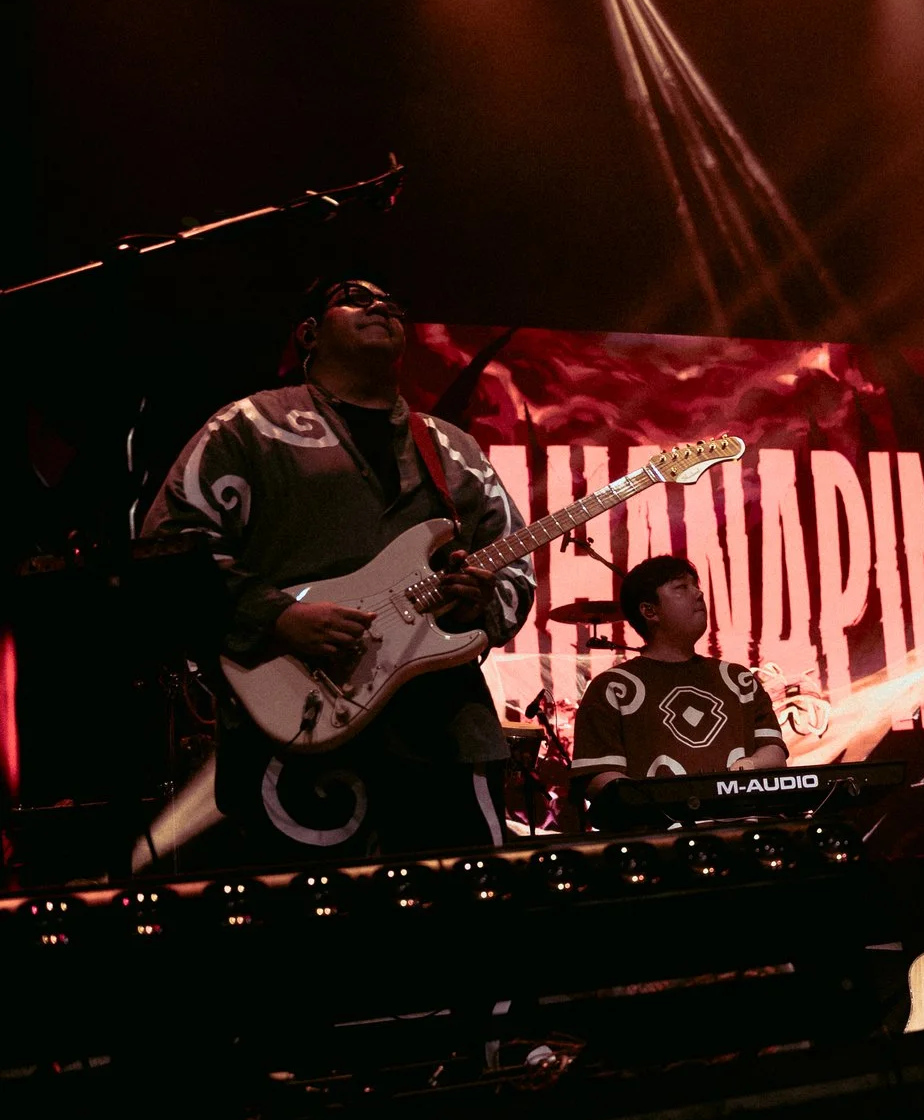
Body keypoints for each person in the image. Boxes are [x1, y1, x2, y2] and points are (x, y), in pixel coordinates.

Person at [142, 276, 535, 855]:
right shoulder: (248, 428)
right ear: (308, 334)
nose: (380, 305)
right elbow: (171, 549)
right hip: (294, 732)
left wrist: (481, 600)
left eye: (392, 303)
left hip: (445, 734)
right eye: (354, 297)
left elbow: (516, 574)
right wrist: (277, 617)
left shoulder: (453, 450)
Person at [572, 555, 788, 807]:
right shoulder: (612, 688)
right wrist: (660, 804)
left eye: (696, 586)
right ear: (649, 611)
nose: (698, 594)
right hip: (655, 839)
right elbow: (597, 778)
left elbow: (774, 754)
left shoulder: (738, 678)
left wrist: (747, 768)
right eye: (681, 588)